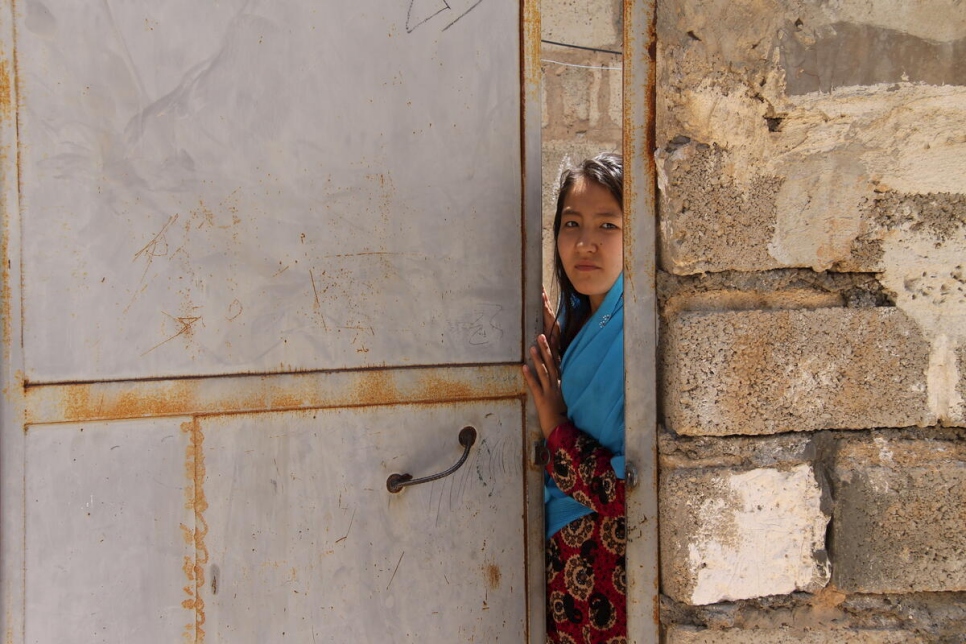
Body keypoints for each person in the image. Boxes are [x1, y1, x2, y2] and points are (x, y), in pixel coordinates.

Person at [523, 152, 626, 643]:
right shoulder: (581, 323)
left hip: (612, 584)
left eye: (607, 224)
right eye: (571, 224)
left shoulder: (638, 338)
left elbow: (632, 491)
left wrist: (556, 425)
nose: (585, 243)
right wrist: (556, 345)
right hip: (566, 587)